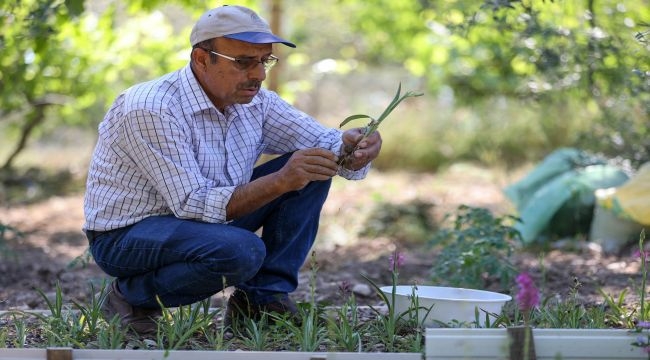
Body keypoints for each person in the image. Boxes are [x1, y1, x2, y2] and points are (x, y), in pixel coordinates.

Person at [82, 4, 382, 334]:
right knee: (242, 252)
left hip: (208, 221)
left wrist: (354, 149)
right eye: (243, 62)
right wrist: (281, 180)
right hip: (129, 236)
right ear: (200, 58)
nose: (259, 74)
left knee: (312, 166)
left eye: (264, 60)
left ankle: (261, 302)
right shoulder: (151, 108)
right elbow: (192, 204)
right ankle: (129, 297)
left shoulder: (256, 102)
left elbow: (328, 142)